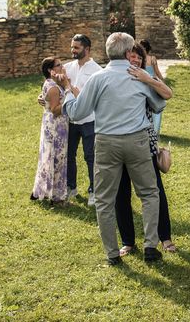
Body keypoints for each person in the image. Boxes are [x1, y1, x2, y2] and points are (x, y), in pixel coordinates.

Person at [59, 32, 166, 265]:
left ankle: (112, 254)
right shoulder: (137, 76)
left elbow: (77, 112)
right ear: (129, 53)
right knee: (148, 193)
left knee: (105, 200)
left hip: (107, 141)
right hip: (137, 141)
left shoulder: (98, 78)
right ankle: (150, 246)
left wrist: (67, 92)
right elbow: (158, 105)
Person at [116, 43, 176, 255]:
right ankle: (128, 241)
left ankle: (165, 237)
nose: (135, 61)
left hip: (145, 142)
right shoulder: (115, 79)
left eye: (139, 58)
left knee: (154, 191)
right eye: (131, 57)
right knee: (121, 193)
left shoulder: (147, 79)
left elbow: (167, 94)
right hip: (118, 142)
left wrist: (148, 79)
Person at [63, 34, 102, 206]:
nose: (73, 50)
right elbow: (54, 85)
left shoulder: (98, 71)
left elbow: (98, 99)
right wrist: (42, 96)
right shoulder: (67, 68)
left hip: (89, 120)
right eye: (72, 47)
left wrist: (78, 93)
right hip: (70, 120)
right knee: (68, 155)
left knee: (90, 156)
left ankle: (94, 191)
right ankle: (71, 187)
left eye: (76, 47)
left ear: (87, 49)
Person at [31, 57, 69, 204]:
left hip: (54, 126)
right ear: (50, 70)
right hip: (55, 128)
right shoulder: (53, 86)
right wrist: (69, 96)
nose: (62, 66)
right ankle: (56, 196)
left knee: (50, 158)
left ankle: (46, 191)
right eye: (59, 65)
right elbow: (55, 110)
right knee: (57, 159)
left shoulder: (53, 83)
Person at [139, 39, 165, 135]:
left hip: (152, 84)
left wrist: (163, 82)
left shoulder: (151, 58)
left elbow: (157, 72)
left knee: (155, 104)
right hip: (144, 83)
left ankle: (155, 129)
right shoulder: (139, 58)